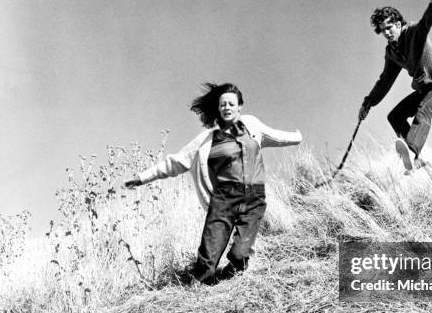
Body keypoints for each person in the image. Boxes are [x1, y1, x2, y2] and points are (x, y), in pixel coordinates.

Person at [124, 83, 302, 285]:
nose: (227, 107)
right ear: (218, 108)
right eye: (223, 104)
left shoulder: (252, 126)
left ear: (240, 106)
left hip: (254, 197)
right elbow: (176, 161)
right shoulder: (206, 140)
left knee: (240, 254)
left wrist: (297, 137)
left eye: (231, 104)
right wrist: (142, 177)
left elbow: (276, 136)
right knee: (208, 258)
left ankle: (226, 282)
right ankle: (196, 290)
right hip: (224, 200)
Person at [358, 0, 432, 172]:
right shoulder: (392, 52)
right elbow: (385, 81)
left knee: (423, 111)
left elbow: (424, 25)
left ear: (398, 23)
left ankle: (411, 149)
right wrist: (368, 103)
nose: (386, 33)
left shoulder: (412, 32)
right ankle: (415, 159)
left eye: (389, 27)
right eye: (382, 30)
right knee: (395, 116)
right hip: (425, 89)